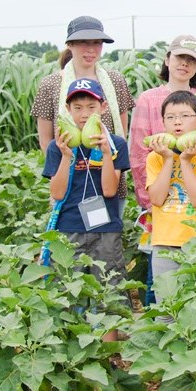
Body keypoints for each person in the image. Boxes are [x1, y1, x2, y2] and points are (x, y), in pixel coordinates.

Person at [43, 79, 130, 340]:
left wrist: (105, 154)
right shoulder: (58, 146)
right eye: (78, 107)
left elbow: (110, 191)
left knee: (109, 292)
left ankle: (109, 358)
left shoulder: (116, 144)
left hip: (105, 230)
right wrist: (67, 156)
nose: (84, 114)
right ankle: (71, 357)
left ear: (102, 108)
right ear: (68, 110)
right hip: (68, 229)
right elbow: (57, 193)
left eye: (91, 107)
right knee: (67, 294)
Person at [31, 16, 134, 205]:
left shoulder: (116, 81)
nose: (91, 49)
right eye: (83, 42)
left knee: (109, 231)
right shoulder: (51, 84)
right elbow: (46, 141)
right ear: (69, 44)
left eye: (97, 42)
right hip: (69, 182)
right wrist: (68, 172)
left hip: (108, 179)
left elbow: (122, 134)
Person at [130, 35, 196, 212]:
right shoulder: (148, 99)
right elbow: (138, 153)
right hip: (158, 195)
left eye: (191, 60)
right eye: (180, 57)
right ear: (167, 59)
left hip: (195, 196)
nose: (184, 64)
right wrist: (148, 202)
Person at [146, 91, 196, 295]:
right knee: (166, 308)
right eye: (170, 117)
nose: (177, 122)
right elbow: (156, 198)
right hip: (164, 242)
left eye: (185, 116)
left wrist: (185, 161)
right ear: (163, 122)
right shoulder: (155, 157)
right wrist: (169, 159)